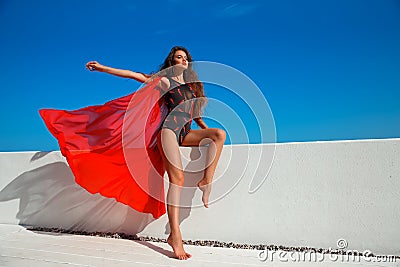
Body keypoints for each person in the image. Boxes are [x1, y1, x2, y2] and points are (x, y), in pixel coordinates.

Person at [40, 46, 226, 260]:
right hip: (168, 132)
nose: (182, 61)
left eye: (185, 58)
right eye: (178, 58)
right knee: (178, 179)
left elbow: (194, 115)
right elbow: (134, 75)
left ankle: (206, 181)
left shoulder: (192, 88)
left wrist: (204, 129)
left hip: (185, 133)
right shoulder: (165, 82)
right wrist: (102, 68)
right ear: (172, 62)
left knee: (219, 134)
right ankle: (175, 235)